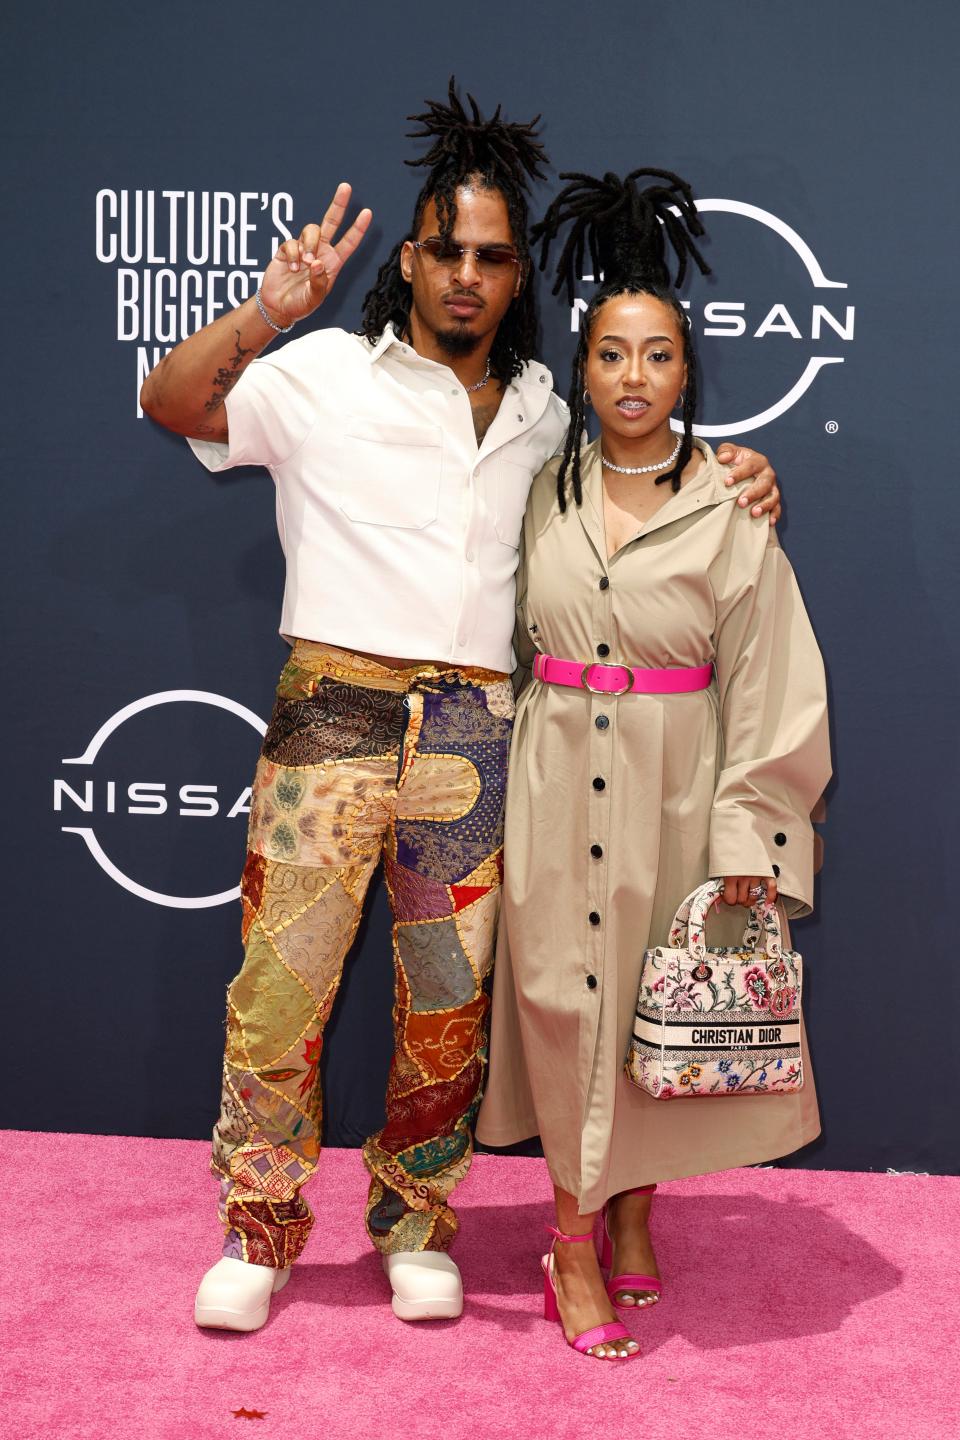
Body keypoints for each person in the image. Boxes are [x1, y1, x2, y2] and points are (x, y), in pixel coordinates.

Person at [139, 85, 781, 1333]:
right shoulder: (320, 372)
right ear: (412, 259)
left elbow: (643, 458)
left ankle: (416, 1220)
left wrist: (739, 467)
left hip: (479, 734)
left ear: (512, 272)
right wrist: (269, 314)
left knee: (443, 1008)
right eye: (448, 252)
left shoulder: (548, 408)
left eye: (494, 256)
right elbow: (172, 406)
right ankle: (260, 1230)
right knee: (281, 991)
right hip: (332, 713)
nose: (469, 277)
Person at [475, 167, 831, 1361]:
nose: (634, 376)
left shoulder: (737, 504)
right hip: (552, 768)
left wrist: (752, 842)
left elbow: (774, 686)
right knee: (565, 1005)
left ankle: (634, 1207)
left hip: (681, 782)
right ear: (581, 370)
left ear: (689, 371)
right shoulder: (534, 490)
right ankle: (570, 1244)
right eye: (613, 354)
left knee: (654, 1009)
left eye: (659, 355)